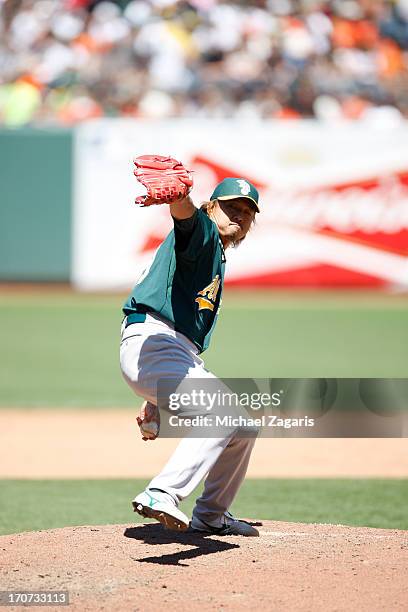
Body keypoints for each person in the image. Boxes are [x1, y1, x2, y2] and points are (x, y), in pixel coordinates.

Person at [119, 174, 261, 537]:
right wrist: (180, 197)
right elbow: (186, 217)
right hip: (156, 342)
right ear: (210, 206)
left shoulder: (214, 253)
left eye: (248, 211)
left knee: (242, 424)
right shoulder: (204, 235)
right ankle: (161, 492)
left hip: (169, 351)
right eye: (231, 206)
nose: (240, 215)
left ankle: (212, 515)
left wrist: (157, 396)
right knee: (222, 412)